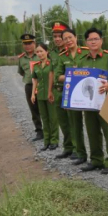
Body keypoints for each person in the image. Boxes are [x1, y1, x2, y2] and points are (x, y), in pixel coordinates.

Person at [77, 27, 108, 174]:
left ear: (101, 41)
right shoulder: (82, 60)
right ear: (86, 42)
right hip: (89, 103)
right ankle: (96, 160)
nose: (93, 42)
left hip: (106, 102)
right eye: (90, 39)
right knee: (92, 131)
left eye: (96, 39)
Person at [52, 29, 88, 165]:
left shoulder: (85, 52)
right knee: (71, 123)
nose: (68, 40)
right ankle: (75, 150)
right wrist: (73, 74)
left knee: (89, 124)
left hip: (85, 92)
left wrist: (77, 74)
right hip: (71, 93)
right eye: (65, 38)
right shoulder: (63, 56)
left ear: (76, 37)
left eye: (70, 37)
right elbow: (58, 76)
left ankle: (93, 155)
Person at [49, 22, 74, 159]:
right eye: (55, 36)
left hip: (69, 91)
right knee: (63, 122)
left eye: (60, 36)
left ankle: (77, 148)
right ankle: (68, 147)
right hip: (57, 90)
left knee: (73, 121)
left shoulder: (71, 52)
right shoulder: (52, 53)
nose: (57, 39)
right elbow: (51, 72)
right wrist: (50, 91)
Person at [30, 42, 59, 151]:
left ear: (46, 52)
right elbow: (35, 80)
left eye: (41, 51)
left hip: (50, 94)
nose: (39, 53)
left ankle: (54, 140)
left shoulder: (51, 64)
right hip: (40, 95)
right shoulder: (36, 66)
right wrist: (33, 93)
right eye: (37, 52)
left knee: (53, 118)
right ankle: (46, 141)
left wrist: (50, 91)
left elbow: (53, 78)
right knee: (44, 118)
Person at [17, 33, 43, 140]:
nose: (28, 46)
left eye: (30, 43)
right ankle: (39, 131)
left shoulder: (41, 54)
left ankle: (50, 132)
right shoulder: (21, 59)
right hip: (29, 86)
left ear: (34, 43)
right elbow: (21, 72)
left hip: (42, 86)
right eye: (25, 44)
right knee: (33, 109)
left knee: (45, 109)